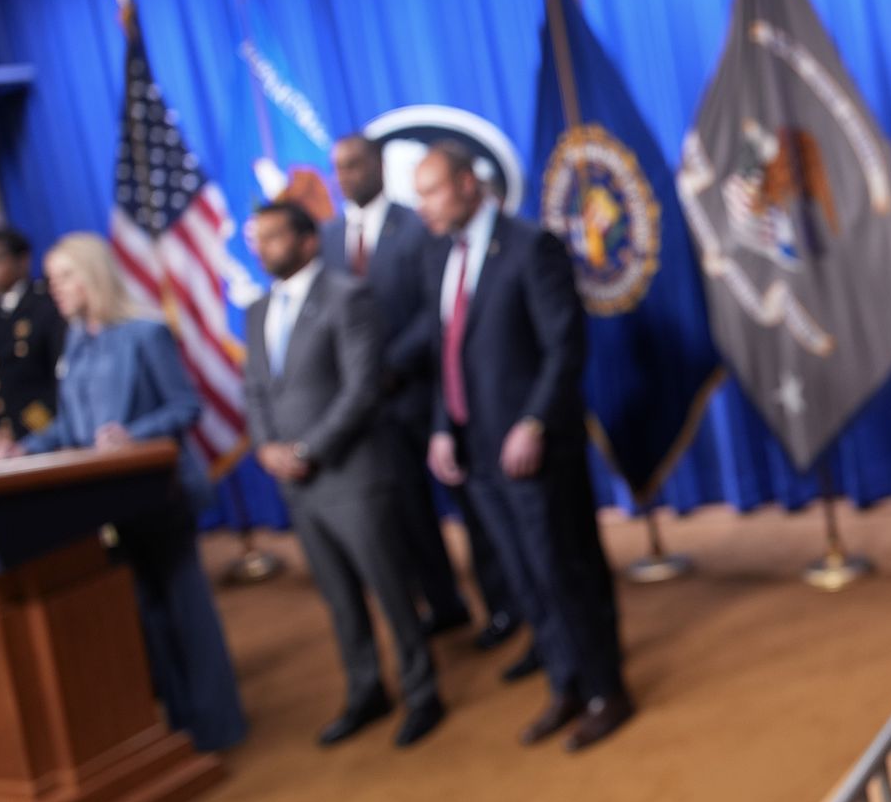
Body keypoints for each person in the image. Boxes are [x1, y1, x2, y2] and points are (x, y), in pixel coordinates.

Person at [0, 233, 246, 752]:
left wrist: (135, 434)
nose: (55, 288)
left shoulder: (145, 333)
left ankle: (218, 726)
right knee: (148, 613)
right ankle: (179, 725)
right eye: (52, 278)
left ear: (93, 276)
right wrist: (24, 448)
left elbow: (185, 408)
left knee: (185, 609)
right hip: (106, 505)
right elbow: (72, 427)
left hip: (159, 495)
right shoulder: (76, 342)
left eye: (65, 277)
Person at [415, 140, 633, 752]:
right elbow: (447, 352)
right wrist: (441, 426)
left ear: (467, 184)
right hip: (476, 450)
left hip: (534, 448)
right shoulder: (439, 256)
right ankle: (565, 685)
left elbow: (565, 346)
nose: (422, 205)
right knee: (525, 577)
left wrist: (534, 421)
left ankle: (606, 691)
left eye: (431, 191)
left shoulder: (531, 246)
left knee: (564, 571)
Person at [244, 201, 445, 748]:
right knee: (337, 596)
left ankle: (422, 692)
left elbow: (362, 389)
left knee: (391, 588)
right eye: (257, 238)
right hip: (296, 484)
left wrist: (309, 448)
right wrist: (266, 447)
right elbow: (256, 390)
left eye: (274, 236)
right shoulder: (257, 311)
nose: (262, 248)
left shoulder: (348, 296)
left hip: (351, 472)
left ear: (308, 241)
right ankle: (365, 689)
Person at [322, 133, 520, 655]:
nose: (345, 176)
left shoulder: (418, 226)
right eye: (338, 167)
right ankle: (444, 603)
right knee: (409, 513)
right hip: (372, 409)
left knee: (474, 509)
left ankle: (504, 604)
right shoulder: (329, 237)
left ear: (378, 165)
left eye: (355, 164)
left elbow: (438, 312)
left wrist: (389, 366)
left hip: (428, 391)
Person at [0, 228, 67, 450]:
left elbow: (59, 378)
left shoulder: (46, 307)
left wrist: (21, 430)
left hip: (36, 435)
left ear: (22, 261)